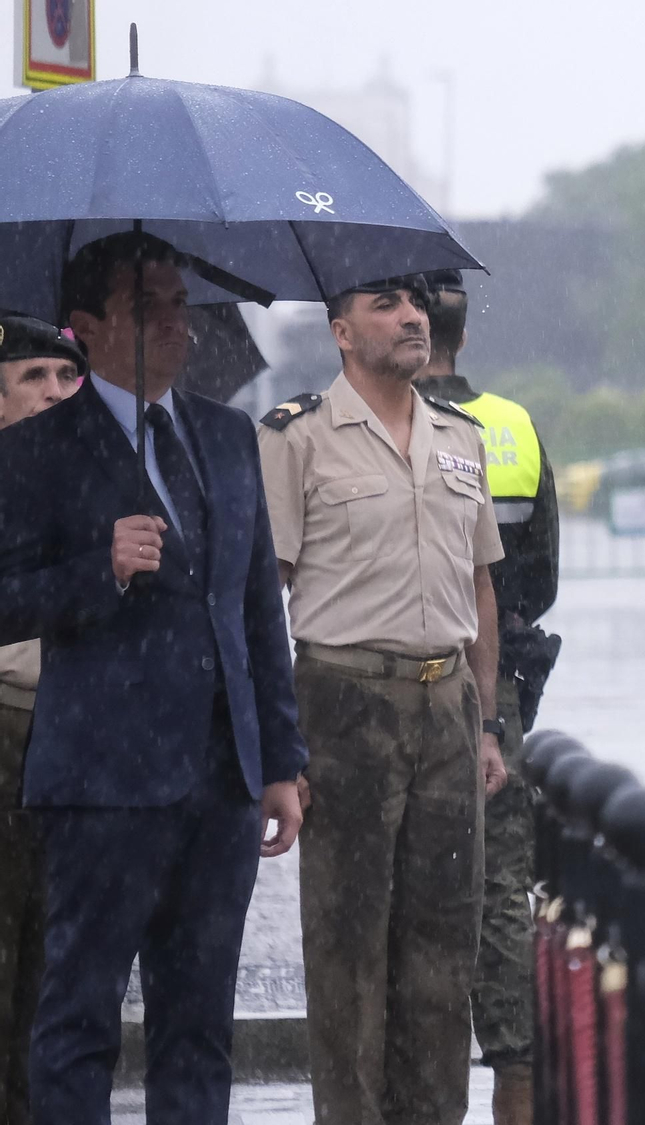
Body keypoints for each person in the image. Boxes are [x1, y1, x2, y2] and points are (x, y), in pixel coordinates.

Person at [0, 233, 307, 1125]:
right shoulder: (40, 448)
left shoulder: (225, 434)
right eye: (151, 307)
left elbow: (257, 612)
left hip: (219, 782)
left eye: (180, 302)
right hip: (103, 780)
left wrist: (280, 759)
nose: (176, 323)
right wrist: (99, 569)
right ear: (88, 328)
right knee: (79, 1017)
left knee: (200, 1024)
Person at [258, 274, 508, 1125]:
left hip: (446, 708)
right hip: (343, 703)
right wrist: (277, 747)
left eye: (415, 304)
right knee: (349, 956)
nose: (411, 317)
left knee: (444, 955)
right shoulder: (297, 438)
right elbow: (267, 593)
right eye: (385, 307)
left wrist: (487, 721)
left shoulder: (459, 437)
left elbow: (478, 588)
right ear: (339, 332)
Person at [411, 270, 559, 1125]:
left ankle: (429, 1086)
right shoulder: (509, 425)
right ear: (464, 338)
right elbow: (539, 573)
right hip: (496, 674)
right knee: (502, 885)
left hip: (407, 666)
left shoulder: (385, 427)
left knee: (416, 886)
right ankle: (515, 1075)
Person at [0, 317, 83, 1125]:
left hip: (81, 739)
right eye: (34, 377)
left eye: (68, 376)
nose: (56, 393)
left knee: (56, 974)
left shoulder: (102, 481)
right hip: (6, 725)